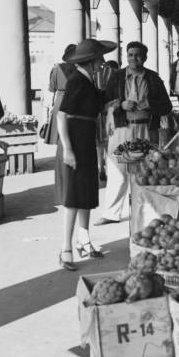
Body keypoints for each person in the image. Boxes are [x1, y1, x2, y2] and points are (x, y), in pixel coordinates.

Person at [55, 38, 118, 270]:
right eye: (100, 58)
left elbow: (100, 101)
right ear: (90, 61)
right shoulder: (77, 81)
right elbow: (62, 116)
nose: (102, 62)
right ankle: (65, 249)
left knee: (87, 192)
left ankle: (84, 240)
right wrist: (68, 149)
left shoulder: (87, 80)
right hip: (75, 140)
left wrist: (112, 106)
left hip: (85, 138)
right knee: (74, 196)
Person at [94, 41, 172, 226]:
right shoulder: (117, 77)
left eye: (137, 55)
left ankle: (148, 211)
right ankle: (111, 213)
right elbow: (105, 103)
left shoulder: (153, 78)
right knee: (117, 170)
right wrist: (121, 105)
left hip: (145, 128)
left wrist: (150, 105)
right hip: (122, 128)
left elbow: (167, 106)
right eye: (130, 55)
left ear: (144, 57)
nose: (133, 58)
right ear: (126, 56)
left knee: (145, 170)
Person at [42, 44, 77, 145]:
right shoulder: (78, 68)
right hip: (74, 100)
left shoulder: (56, 68)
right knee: (72, 135)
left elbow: (52, 89)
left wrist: (51, 106)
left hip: (59, 101)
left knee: (60, 137)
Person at [96, 59, 119, 182]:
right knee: (110, 143)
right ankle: (110, 169)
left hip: (98, 114)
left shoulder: (96, 74)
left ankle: (101, 168)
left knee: (99, 144)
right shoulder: (116, 75)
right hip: (111, 113)